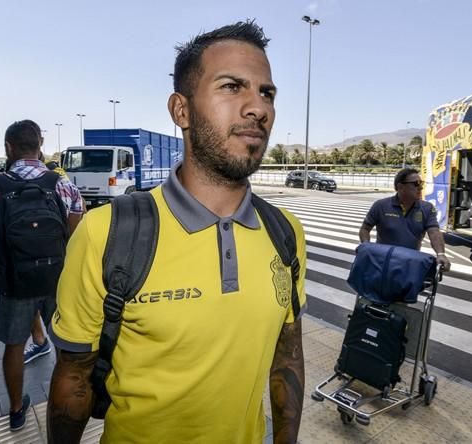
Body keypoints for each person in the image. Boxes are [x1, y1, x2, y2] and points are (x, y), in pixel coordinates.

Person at [47, 21, 307, 444]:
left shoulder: (285, 232)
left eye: (267, 93)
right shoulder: (106, 232)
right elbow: (73, 377)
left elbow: (287, 356)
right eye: (231, 86)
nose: (258, 107)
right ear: (181, 110)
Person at [0, 120, 84, 431]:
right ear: (40, 144)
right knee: (67, 346)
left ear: (9, 148)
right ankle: (69, 404)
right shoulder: (64, 185)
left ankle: (17, 410)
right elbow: (76, 238)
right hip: (58, 280)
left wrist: (11, 247)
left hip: (15, 284)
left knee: (14, 346)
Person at [358, 168, 451, 271]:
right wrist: (366, 246)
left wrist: (441, 254)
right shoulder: (380, 205)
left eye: (421, 183)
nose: (420, 187)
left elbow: (434, 232)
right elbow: (365, 229)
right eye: (415, 184)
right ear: (400, 187)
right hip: (382, 263)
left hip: (409, 264)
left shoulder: (427, 208)